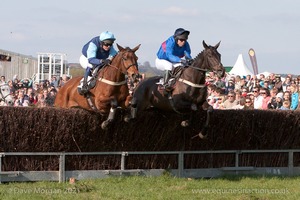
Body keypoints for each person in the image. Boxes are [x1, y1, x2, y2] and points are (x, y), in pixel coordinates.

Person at [78, 31, 118, 95]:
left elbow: (115, 54)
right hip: (86, 58)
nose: (108, 46)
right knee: (91, 66)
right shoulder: (93, 44)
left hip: (99, 59)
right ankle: (84, 85)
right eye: (106, 44)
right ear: (101, 42)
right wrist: (101, 61)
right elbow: (91, 60)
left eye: (110, 44)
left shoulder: (109, 45)